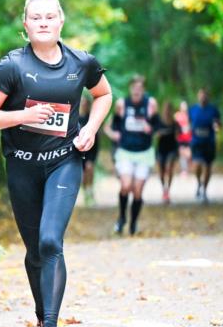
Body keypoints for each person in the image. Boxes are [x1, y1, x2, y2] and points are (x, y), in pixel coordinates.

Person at [0, 0, 112, 327]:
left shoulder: (82, 62)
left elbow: (104, 95)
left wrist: (91, 128)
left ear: (61, 21)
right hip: (21, 165)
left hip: (63, 161)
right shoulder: (11, 67)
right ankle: (41, 319)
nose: (44, 22)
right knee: (35, 250)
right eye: (36, 18)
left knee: (52, 241)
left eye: (50, 16)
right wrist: (21, 117)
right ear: (25, 25)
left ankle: (49, 326)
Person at [105, 75, 157, 235]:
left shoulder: (151, 104)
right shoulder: (122, 104)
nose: (137, 90)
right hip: (125, 152)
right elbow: (108, 126)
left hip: (144, 152)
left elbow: (159, 125)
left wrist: (151, 128)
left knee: (138, 191)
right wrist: (113, 134)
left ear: (143, 89)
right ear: (130, 89)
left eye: (140, 87)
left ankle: (133, 222)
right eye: (134, 87)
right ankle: (121, 218)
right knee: (126, 186)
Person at [189, 88, 221, 203]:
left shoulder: (213, 110)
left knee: (208, 166)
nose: (203, 97)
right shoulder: (192, 110)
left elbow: (218, 124)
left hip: (209, 142)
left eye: (205, 95)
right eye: (201, 95)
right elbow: (188, 124)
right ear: (198, 96)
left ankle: (204, 191)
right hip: (196, 142)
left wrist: (217, 126)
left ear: (208, 97)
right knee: (197, 165)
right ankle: (199, 183)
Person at [155, 101, 180, 204]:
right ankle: (164, 189)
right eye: (166, 109)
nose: (167, 111)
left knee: (169, 168)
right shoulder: (159, 122)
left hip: (172, 149)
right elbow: (155, 134)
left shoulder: (175, 123)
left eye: (169, 109)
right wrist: (159, 134)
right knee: (161, 172)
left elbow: (178, 136)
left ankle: (167, 190)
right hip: (161, 149)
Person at [77, 95, 98, 206]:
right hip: (76, 152)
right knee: (81, 175)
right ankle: (85, 191)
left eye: (84, 102)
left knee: (89, 169)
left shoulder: (91, 119)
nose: (82, 104)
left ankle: (89, 191)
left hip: (89, 151)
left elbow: (96, 140)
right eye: (81, 102)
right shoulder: (73, 118)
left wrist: (93, 158)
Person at [174, 100, 192, 175]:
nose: (184, 108)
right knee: (182, 154)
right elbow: (174, 126)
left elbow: (192, 125)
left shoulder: (189, 115)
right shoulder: (177, 115)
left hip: (188, 138)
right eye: (183, 106)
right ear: (180, 107)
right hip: (180, 138)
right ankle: (184, 170)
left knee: (188, 154)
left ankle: (187, 168)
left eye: (185, 106)